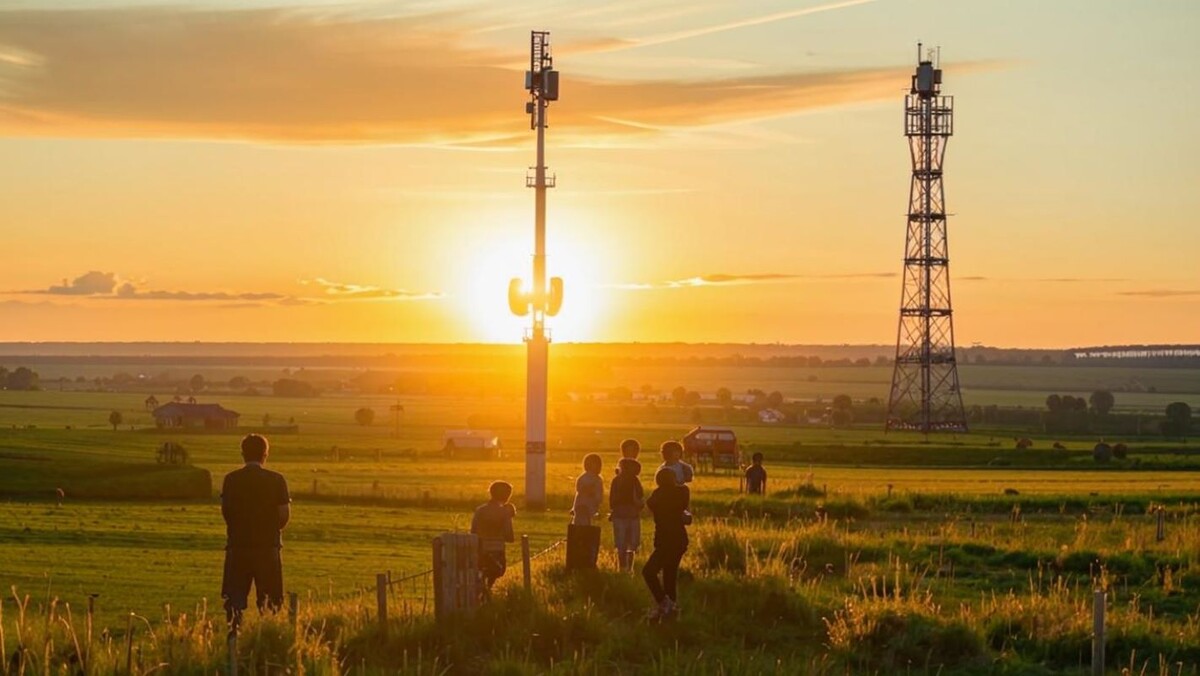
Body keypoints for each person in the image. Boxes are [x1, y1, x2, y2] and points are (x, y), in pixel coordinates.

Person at [221, 434, 290, 627]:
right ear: (265, 454)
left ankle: (233, 639)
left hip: (238, 546)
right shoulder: (276, 480)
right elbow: (284, 514)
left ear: (243, 454)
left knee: (235, 600)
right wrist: (271, 531)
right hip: (267, 547)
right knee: (270, 602)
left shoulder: (231, 480)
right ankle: (267, 637)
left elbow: (227, 513)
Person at [643, 467, 690, 620]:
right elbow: (683, 508)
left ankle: (664, 603)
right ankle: (670, 611)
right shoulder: (683, 492)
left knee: (649, 571)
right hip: (680, 540)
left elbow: (649, 505)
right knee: (670, 575)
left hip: (665, 540)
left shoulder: (658, 494)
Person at [471, 481, 516, 591]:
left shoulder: (480, 510)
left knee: (481, 574)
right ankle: (488, 593)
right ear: (506, 496)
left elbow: (473, 532)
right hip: (497, 554)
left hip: (480, 551)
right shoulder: (504, 512)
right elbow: (510, 536)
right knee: (494, 574)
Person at [609, 457, 644, 572]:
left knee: (621, 544)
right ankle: (628, 568)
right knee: (631, 544)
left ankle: (622, 567)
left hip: (619, 514)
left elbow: (612, 499)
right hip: (632, 514)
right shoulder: (634, 481)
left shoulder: (617, 480)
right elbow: (639, 496)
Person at [571, 454, 604, 526]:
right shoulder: (583, 477)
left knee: (588, 521)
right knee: (581, 520)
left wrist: (597, 499)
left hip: (591, 504)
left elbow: (599, 493)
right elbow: (579, 489)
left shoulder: (598, 479)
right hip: (582, 504)